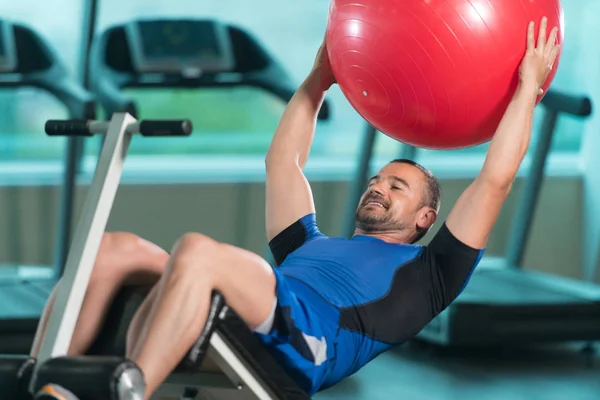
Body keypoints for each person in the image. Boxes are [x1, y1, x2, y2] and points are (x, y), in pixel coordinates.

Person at [32, 17, 560, 400]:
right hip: (270, 306)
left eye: (397, 186)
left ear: (426, 219)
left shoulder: (433, 273)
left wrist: (527, 87)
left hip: (309, 343)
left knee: (196, 251)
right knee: (112, 248)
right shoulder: (310, 245)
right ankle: (41, 379)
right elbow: (283, 163)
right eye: (377, 179)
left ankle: (132, 392)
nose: (377, 187)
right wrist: (319, 77)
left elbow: (496, 179)